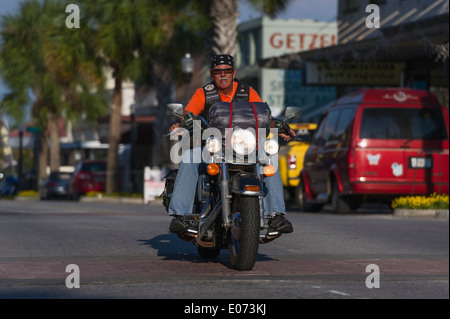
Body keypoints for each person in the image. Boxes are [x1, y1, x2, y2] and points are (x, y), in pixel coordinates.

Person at [168, 54, 294, 235]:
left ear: (234, 72)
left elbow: (263, 115)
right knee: (189, 156)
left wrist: (279, 126)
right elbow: (188, 113)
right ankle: (180, 215)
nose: (223, 75)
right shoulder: (203, 93)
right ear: (212, 74)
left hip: (246, 147)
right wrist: (180, 123)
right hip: (213, 148)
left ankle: (275, 215)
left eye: (227, 71)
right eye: (218, 72)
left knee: (270, 158)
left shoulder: (247, 91)